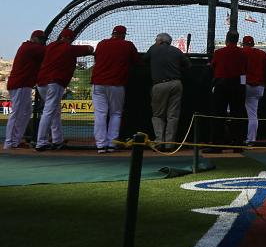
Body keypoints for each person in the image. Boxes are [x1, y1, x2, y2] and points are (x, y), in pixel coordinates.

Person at [35, 29, 94, 151]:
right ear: (69, 39)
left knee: (55, 112)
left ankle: (57, 140)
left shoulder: (50, 46)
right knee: (49, 111)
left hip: (41, 84)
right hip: (54, 83)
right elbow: (89, 49)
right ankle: (41, 142)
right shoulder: (69, 48)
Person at [90, 25, 139, 153]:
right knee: (115, 113)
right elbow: (136, 61)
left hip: (98, 83)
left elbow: (96, 59)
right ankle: (112, 143)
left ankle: (101, 145)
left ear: (113, 33)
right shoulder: (127, 45)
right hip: (116, 84)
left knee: (100, 114)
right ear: (123, 35)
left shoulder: (102, 43)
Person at [144, 33, 190, 150]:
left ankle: (159, 142)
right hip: (176, 83)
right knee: (173, 116)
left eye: (156, 40)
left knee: (158, 115)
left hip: (160, 85)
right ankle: (170, 144)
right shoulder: (176, 51)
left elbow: (144, 60)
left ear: (159, 41)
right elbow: (188, 65)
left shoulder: (154, 48)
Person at [3, 30, 46, 150]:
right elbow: (47, 52)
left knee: (26, 111)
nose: (42, 42)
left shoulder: (30, 47)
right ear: (34, 38)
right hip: (20, 84)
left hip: (23, 84)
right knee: (17, 113)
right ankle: (9, 142)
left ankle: (16, 141)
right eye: (40, 39)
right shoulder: (29, 47)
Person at [241, 35, 266, 145]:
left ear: (243, 44)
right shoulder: (261, 53)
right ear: (253, 44)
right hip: (258, 87)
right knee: (253, 115)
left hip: (244, 85)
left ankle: (227, 111)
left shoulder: (241, 52)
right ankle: (251, 140)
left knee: (232, 104)